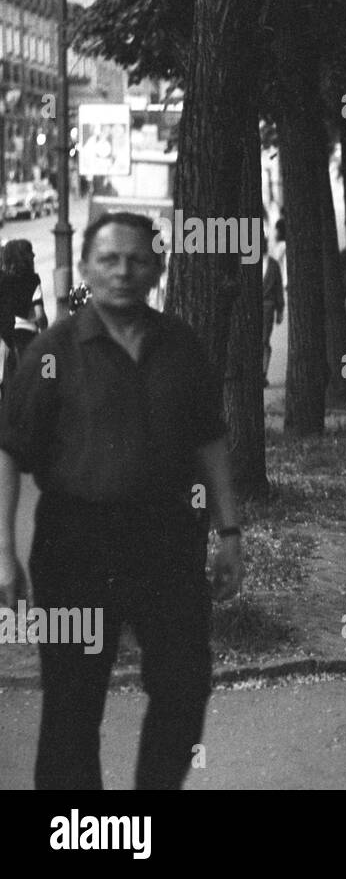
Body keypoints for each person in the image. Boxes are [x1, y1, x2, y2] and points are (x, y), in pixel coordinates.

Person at [0, 211, 243, 789]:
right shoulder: (52, 352)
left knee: (184, 688)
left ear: (157, 266)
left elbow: (210, 440)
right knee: (72, 706)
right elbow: (7, 450)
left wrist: (230, 533)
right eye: (108, 259)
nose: (123, 271)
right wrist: (3, 553)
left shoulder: (181, 346)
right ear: (86, 268)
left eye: (136, 259)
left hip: (167, 547)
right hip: (75, 549)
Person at [0, 239, 48, 390]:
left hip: (6, 339)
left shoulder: (3, 281)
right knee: (47, 368)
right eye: (30, 252)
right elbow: (40, 315)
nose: (34, 255)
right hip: (28, 337)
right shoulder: (33, 280)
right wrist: (45, 330)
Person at [262, 221, 286, 385]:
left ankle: (263, 373)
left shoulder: (273, 264)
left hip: (268, 307)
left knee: (264, 340)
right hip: (254, 308)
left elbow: (278, 288)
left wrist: (280, 310)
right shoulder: (247, 263)